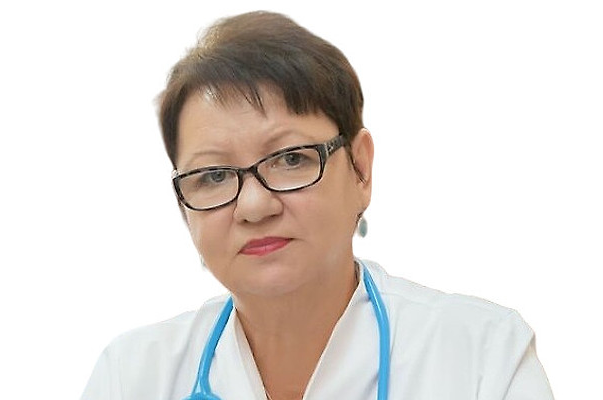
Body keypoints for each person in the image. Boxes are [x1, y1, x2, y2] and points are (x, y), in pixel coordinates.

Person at [81, 10, 554, 400]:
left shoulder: (483, 359)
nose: (253, 206)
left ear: (360, 169)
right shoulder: (131, 377)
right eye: (214, 176)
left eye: (290, 159)